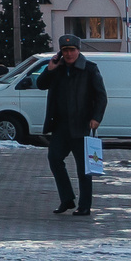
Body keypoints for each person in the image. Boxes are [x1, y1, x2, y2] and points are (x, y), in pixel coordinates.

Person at [38, 34, 107, 217]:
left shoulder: (90, 69)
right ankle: (67, 199)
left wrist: (96, 118)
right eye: (65, 50)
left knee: (84, 168)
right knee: (54, 159)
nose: (68, 54)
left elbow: (101, 96)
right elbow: (41, 84)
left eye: (72, 50)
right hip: (60, 126)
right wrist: (49, 69)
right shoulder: (57, 69)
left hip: (82, 125)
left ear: (78, 50)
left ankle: (85, 205)